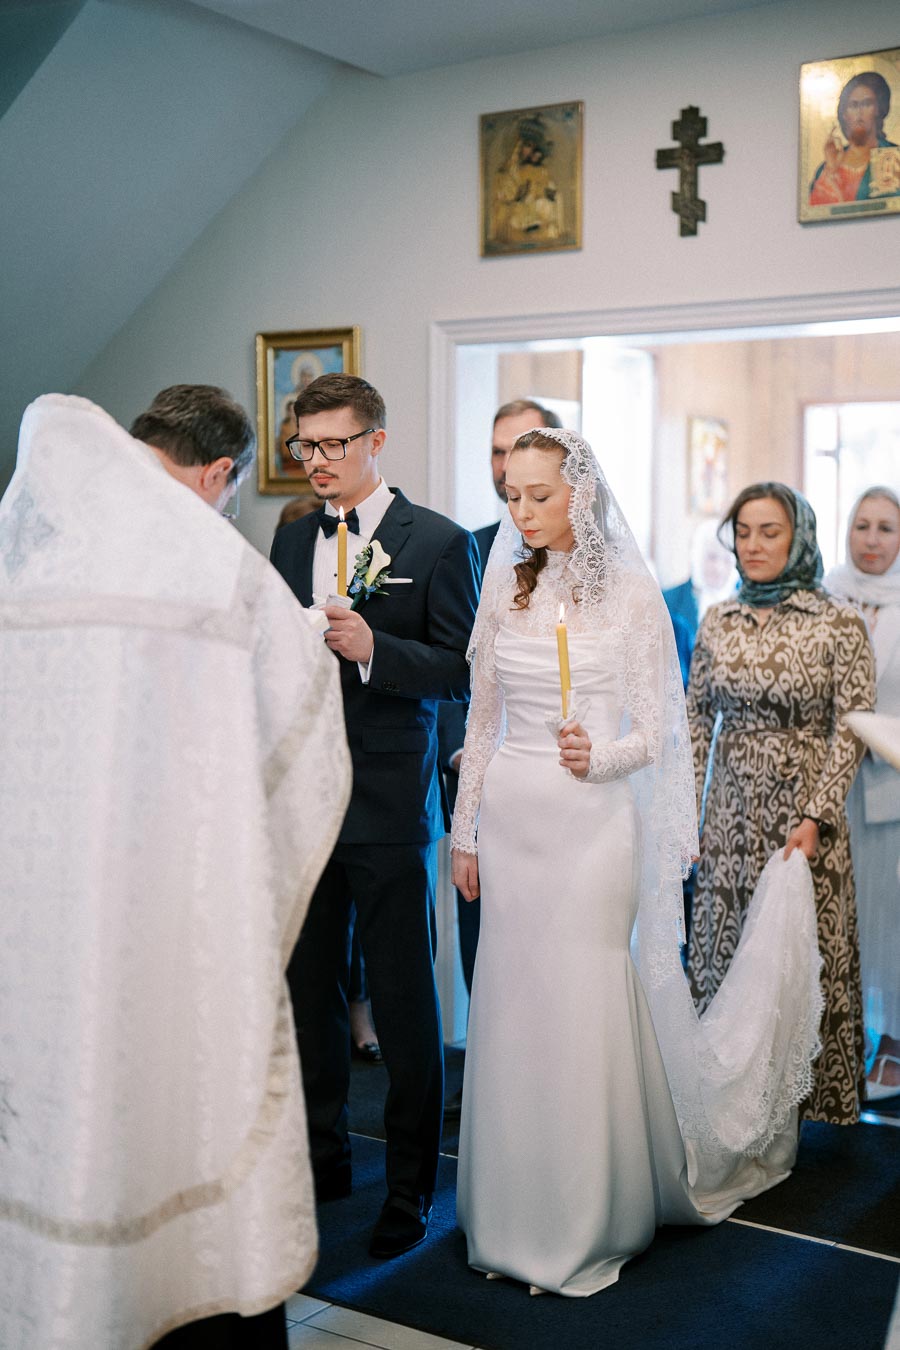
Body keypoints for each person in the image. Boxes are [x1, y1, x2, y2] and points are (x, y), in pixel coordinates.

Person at [0, 388, 351, 1349]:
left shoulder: (22, 561)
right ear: (218, 471)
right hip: (168, 912)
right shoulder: (209, 564)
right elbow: (304, 742)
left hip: (34, 930)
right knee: (177, 1090)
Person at [450, 430, 824, 1296]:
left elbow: (660, 730)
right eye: (514, 496)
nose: (525, 512)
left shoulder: (629, 594)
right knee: (512, 999)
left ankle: (590, 1213)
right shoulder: (504, 590)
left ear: (581, 494)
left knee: (582, 995)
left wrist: (601, 759)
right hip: (514, 819)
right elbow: (479, 721)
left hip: (591, 825)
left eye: (542, 495)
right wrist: (465, 833)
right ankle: (512, 1210)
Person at [270, 373, 479, 1258]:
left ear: (375, 441)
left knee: (400, 1003)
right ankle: (322, 1162)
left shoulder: (436, 541)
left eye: (332, 444)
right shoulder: (285, 539)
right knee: (308, 992)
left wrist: (374, 649)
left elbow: (462, 670)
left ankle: (410, 1190)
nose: (316, 461)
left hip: (390, 803)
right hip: (302, 800)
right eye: (304, 446)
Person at [688, 482, 876, 1125]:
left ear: (798, 537)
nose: (755, 545)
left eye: (770, 532)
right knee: (727, 947)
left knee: (799, 961)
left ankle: (801, 1106)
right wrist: (685, 813)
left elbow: (852, 726)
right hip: (728, 814)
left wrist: (817, 815)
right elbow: (694, 720)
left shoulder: (838, 621)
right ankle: (730, 1100)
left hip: (803, 821)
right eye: (744, 532)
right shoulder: (719, 618)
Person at [825, 487, 900, 1100]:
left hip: (893, 783)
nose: (873, 539)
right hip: (829, 786)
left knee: (888, 920)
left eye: (886, 528)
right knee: (837, 918)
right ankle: (842, 1039)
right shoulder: (826, 594)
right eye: (863, 526)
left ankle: (894, 1043)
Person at [663, 517, 739, 686]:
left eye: (727, 560)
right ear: (698, 555)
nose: (719, 568)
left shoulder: (746, 603)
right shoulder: (669, 601)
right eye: (712, 557)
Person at [808, 71, 900, 206]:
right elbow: (818, 210)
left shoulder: (892, 157)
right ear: (844, 114)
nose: (859, 112)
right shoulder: (827, 166)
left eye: (867, 103)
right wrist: (831, 171)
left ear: (878, 109)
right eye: (853, 105)